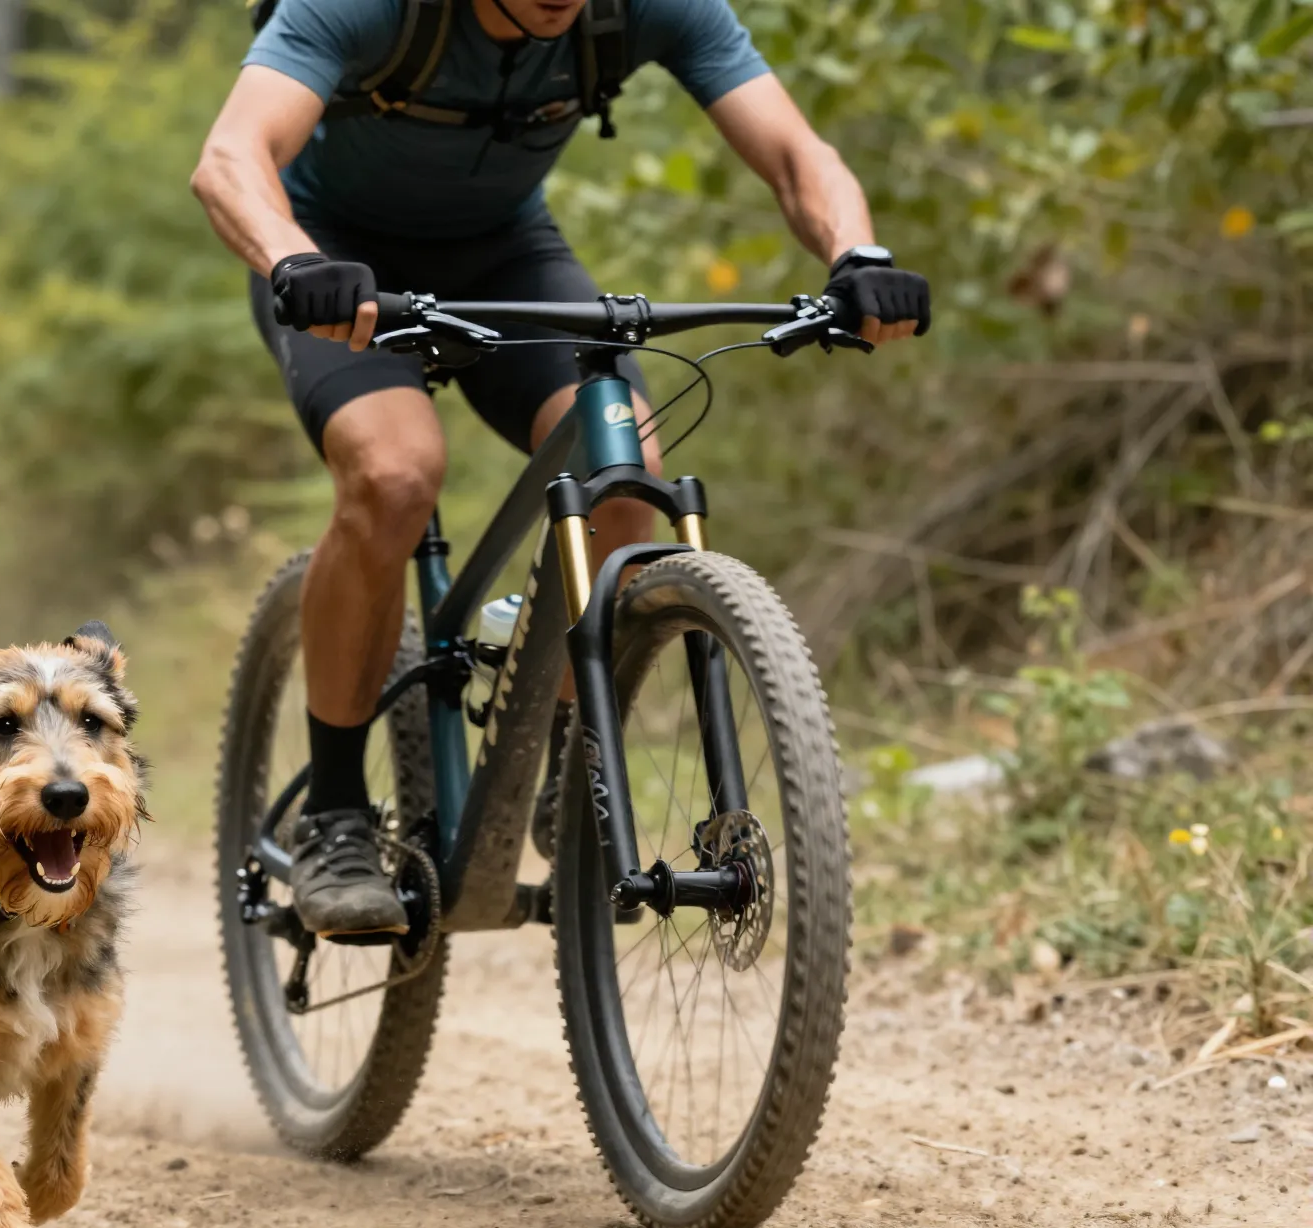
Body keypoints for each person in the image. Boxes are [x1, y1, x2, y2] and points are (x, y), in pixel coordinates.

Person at [191, 0, 929, 936]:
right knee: (394, 475)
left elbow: (793, 153)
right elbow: (229, 160)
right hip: (334, 255)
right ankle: (337, 814)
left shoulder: (649, 8)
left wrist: (857, 257)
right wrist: (294, 260)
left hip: (506, 255)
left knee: (627, 472)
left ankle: (574, 771)